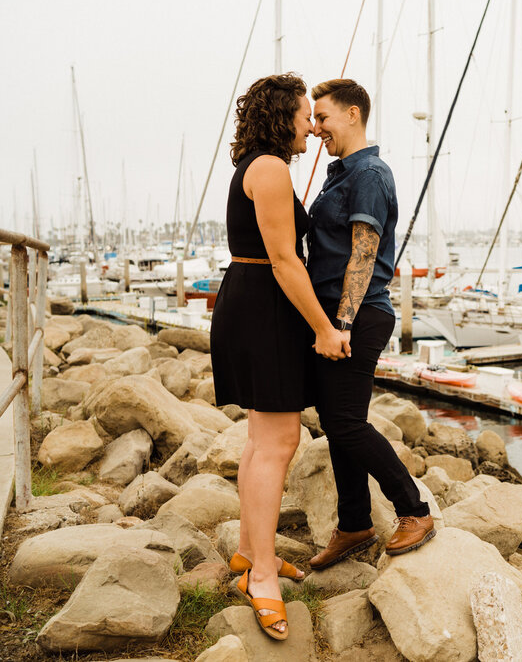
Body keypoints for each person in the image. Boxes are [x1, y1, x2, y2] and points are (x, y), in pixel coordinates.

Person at [210, 73, 342, 640]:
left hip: (254, 303)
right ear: (280, 116)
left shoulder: (263, 167)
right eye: (304, 115)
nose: (312, 126)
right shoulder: (268, 169)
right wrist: (325, 329)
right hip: (263, 307)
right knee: (278, 443)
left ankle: (246, 553)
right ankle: (263, 575)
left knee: (262, 440)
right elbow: (286, 260)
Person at [306, 78, 435, 570]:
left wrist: (341, 322)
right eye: (314, 120)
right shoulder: (340, 173)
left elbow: (364, 251)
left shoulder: (370, 174)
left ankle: (414, 510)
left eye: (323, 118)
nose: (317, 128)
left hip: (357, 316)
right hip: (336, 317)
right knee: (339, 426)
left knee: (345, 423)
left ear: (353, 114)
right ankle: (355, 524)